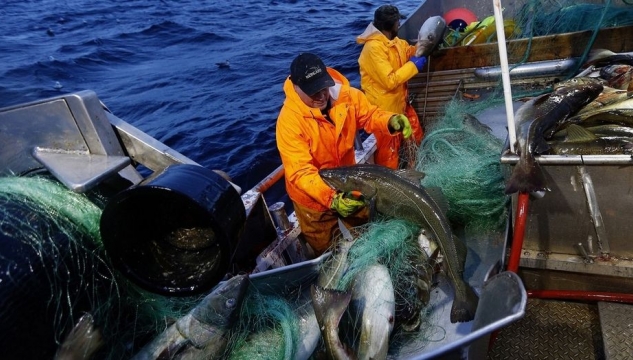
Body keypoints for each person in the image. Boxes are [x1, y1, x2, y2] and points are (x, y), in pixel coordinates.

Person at [276, 52, 413, 256]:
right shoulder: (288, 122)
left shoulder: (347, 96)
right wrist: (331, 198)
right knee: (328, 252)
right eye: (314, 92)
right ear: (296, 88)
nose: (322, 95)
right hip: (312, 201)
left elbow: (369, 115)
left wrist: (389, 120)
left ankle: (368, 261)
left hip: (350, 182)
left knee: (366, 230)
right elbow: (301, 173)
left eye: (323, 87)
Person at [357, 4, 427, 169]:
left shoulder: (394, 41)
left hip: (401, 103)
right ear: (390, 26)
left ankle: (415, 170)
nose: (399, 25)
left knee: (416, 136)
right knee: (389, 154)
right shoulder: (373, 48)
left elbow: (408, 51)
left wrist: (425, 46)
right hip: (385, 112)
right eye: (397, 22)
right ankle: (393, 185)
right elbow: (389, 81)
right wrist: (414, 66)